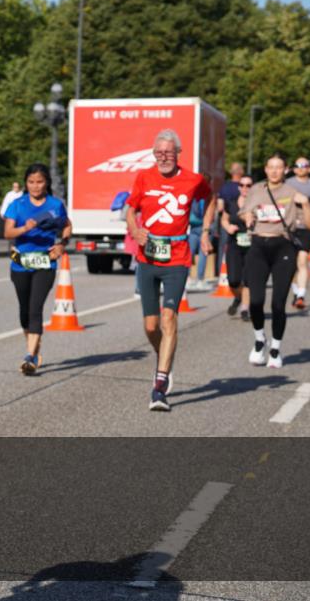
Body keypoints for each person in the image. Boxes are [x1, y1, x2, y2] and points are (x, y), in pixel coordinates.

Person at [124, 129, 214, 412]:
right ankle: (164, 356)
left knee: (169, 318)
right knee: (151, 326)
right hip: (148, 257)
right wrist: (135, 230)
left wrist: (205, 232)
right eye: (159, 153)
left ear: (178, 153)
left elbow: (210, 199)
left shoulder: (193, 180)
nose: (163, 157)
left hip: (177, 258)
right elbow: (130, 209)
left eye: (168, 153)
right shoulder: (144, 177)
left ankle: (159, 386)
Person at [240, 154, 310, 368]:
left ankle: (275, 349)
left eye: (278, 167)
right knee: (256, 301)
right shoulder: (256, 190)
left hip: (283, 247)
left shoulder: (292, 192)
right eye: (271, 167)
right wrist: (247, 216)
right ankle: (259, 339)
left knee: (278, 303)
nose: (274, 171)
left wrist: (306, 203)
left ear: (286, 170)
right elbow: (244, 211)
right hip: (258, 246)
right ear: (265, 169)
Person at [3, 163, 72, 375]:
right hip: (20, 263)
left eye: (40, 182)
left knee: (35, 308)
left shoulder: (55, 205)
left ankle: (30, 356)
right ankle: (33, 347)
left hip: (45, 263)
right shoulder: (18, 204)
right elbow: (7, 233)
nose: (35, 186)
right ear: (26, 183)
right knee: (24, 312)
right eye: (31, 182)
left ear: (46, 182)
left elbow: (67, 225)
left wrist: (62, 244)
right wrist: (26, 227)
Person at [286, 157, 310, 309]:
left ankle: (301, 295)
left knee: (302, 261)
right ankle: (296, 292)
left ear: (309, 168)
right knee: (291, 265)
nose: (300, 167)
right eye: (297, 165)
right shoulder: (288, 183)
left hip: (307, 226)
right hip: (290, 226)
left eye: (304, 165)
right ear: (294, 169)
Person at [220, 174, 254, 321]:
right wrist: (228, 227)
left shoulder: (257, 203)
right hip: (234, 244)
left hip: (252, 246)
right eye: (242, 185)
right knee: (233, 280)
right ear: (238, 187)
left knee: (248, 279)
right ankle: (239, 297)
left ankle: (245, 309)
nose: (245, 188)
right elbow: (224, 219)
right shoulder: (231, 203)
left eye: (248, 185)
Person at [186, 196, 211, 291]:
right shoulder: (206, 196)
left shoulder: (192, 196)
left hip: (192, 227)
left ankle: (187, 278)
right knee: (203, 254)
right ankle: (200, 279)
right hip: (204, 227)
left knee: (189, 253)